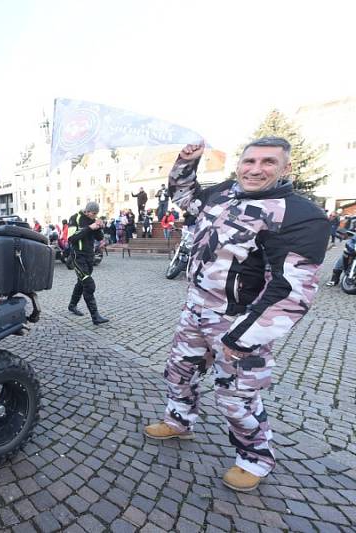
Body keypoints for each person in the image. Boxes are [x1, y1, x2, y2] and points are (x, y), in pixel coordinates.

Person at [144, 137, 329, 492]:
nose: (256, 169)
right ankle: (179, 420)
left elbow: (292, 291)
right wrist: (187, 161)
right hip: (196, 311)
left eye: (268, 162)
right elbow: (185, 198)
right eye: (250, 161)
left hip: (241, 321)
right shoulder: (225, 193)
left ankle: (255, 458)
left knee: (236, 395)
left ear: (284, 168)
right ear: (239, 164)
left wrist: (241, 337)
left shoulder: (300, 216)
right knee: (178, 372)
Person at [66, 202, 109, 325]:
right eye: (93, 213)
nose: (94, 216)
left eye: (96, 214)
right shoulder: (75, 218)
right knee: (89, 284)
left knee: (81, 282)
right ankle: (95, 317)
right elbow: (71, 238)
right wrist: (90, 227)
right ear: (87, 211)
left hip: (89, 256)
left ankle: (72, 305)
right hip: (77, 256)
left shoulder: (93, 220)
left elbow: (99, 237)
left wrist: (100, 226)